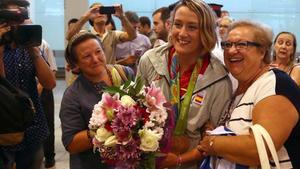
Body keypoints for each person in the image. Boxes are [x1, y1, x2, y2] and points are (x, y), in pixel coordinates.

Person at [137, 0, 232, 168]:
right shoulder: (150, 61)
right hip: (148, 160)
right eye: (178, 24)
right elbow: (135, 112)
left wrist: (180, 160)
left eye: (192, 27)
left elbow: (215, 141)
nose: (182, 33)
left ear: (206, 32)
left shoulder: (219, 78)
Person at [198, 20, 300, 168]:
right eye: (227, 44)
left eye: (241, 44)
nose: (232, 50)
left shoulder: (275, 84)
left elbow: (259, 149)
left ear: (262, 51)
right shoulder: (238, 89)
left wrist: (211, 143)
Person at [60, 31, 134, 169]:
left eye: (98, 51)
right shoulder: (73, 95)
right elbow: (71, 144)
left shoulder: (125, 73)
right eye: (87, 56)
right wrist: (107, 127)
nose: (95, 59)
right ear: (76, 64)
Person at [0, 0, 56, 169]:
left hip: (33, 127)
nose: (14, 27)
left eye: (19, 22)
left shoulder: (28, 48)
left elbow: (49, 83)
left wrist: (33, 50)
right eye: (8, 22)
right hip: (4, 129)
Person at [66, 3, 136, 64]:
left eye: (103, 11)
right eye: (95, 12)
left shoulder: (114, 34)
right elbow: (69, 37)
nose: (100, 14)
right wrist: (85, 17)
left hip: (109, 76)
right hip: (90, 76)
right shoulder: (85, 35)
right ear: (90, 17)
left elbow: (132, 36)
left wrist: (122, 16)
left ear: (107, 16)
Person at [38, 39, 57, 169]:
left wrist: (39, 89)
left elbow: (52, 69)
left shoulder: (43, 44)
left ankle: (49, 157)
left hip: (43, 90)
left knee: (47, 123)